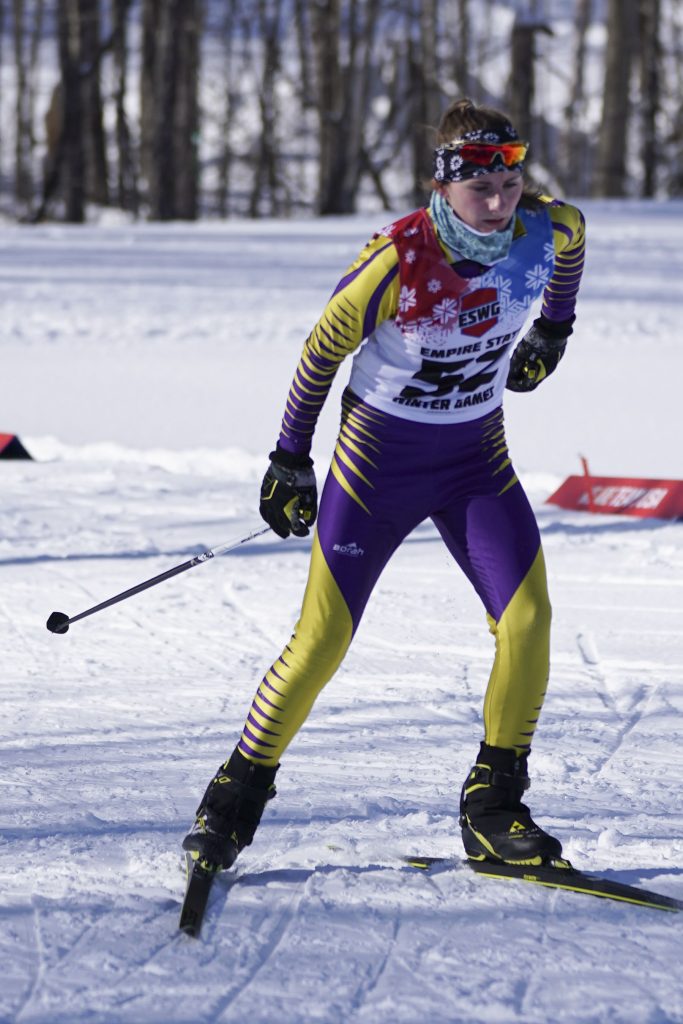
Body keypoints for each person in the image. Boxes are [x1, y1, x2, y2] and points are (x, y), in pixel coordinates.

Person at [183, 98, 585, 871]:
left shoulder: (545, 227)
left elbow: (572, 250)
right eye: (480, 190)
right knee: (323, 639)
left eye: (508, 186)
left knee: (528, 618)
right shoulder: (397, 260)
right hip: (377, 468)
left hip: (475, 462)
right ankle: (232, 799)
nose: (498, 205)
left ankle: (493, 807)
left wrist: (552, 331)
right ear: (444, 184)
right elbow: (318, 353)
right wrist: (289, 459)